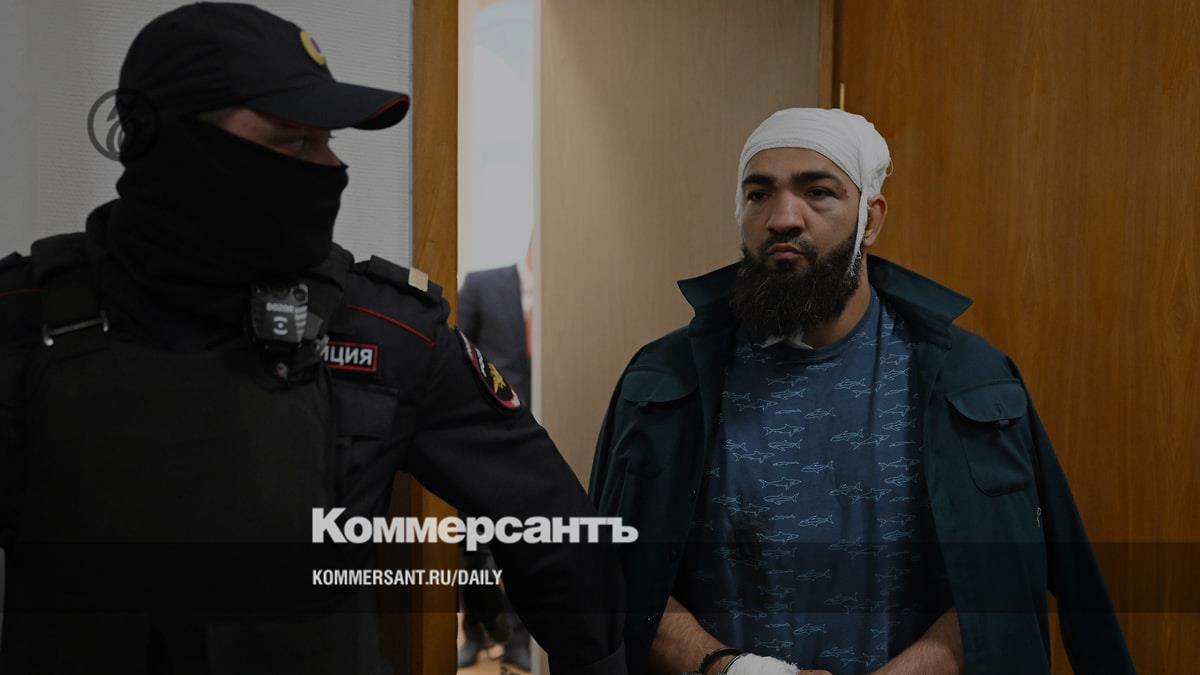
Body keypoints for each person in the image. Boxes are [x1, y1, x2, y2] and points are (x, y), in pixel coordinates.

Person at [0, 4, 626, 674]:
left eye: (327, 141)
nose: (331, 168)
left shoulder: (386, 333)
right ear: (169, 144)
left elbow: (554, 532)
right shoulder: (21, 319)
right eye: (293, 145)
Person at [589, 108, 1134, 675]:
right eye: (759, 194)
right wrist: (733, 670)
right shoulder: (664, 383)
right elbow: (609, 578)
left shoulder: (970, 382)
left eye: (818, 193)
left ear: (870, 220)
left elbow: (1007, 577)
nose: (783, 218)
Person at [455, 247, 535, 670]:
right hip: (482, 440)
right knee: (473, 545)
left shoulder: (566, 296)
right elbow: (456, 356)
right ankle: (474, 632)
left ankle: (518, 639)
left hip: (535, 443)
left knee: (525, 545)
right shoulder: (482, 285)